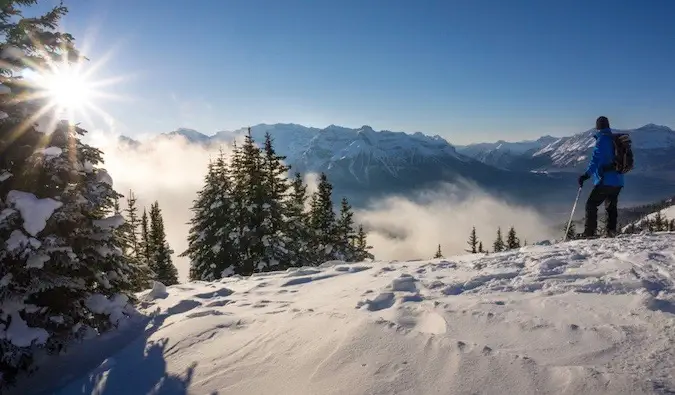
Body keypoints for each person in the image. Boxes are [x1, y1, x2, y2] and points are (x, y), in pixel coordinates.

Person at [578, 116, 623, 238]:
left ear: (598, 127)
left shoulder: (601, 140)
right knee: (611, 206)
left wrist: (585, 175)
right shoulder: (615, 139)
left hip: (605, 180)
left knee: (591, 204)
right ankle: (611, 231)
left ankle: (589, 233)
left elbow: (594, 162)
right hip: (619, 180)